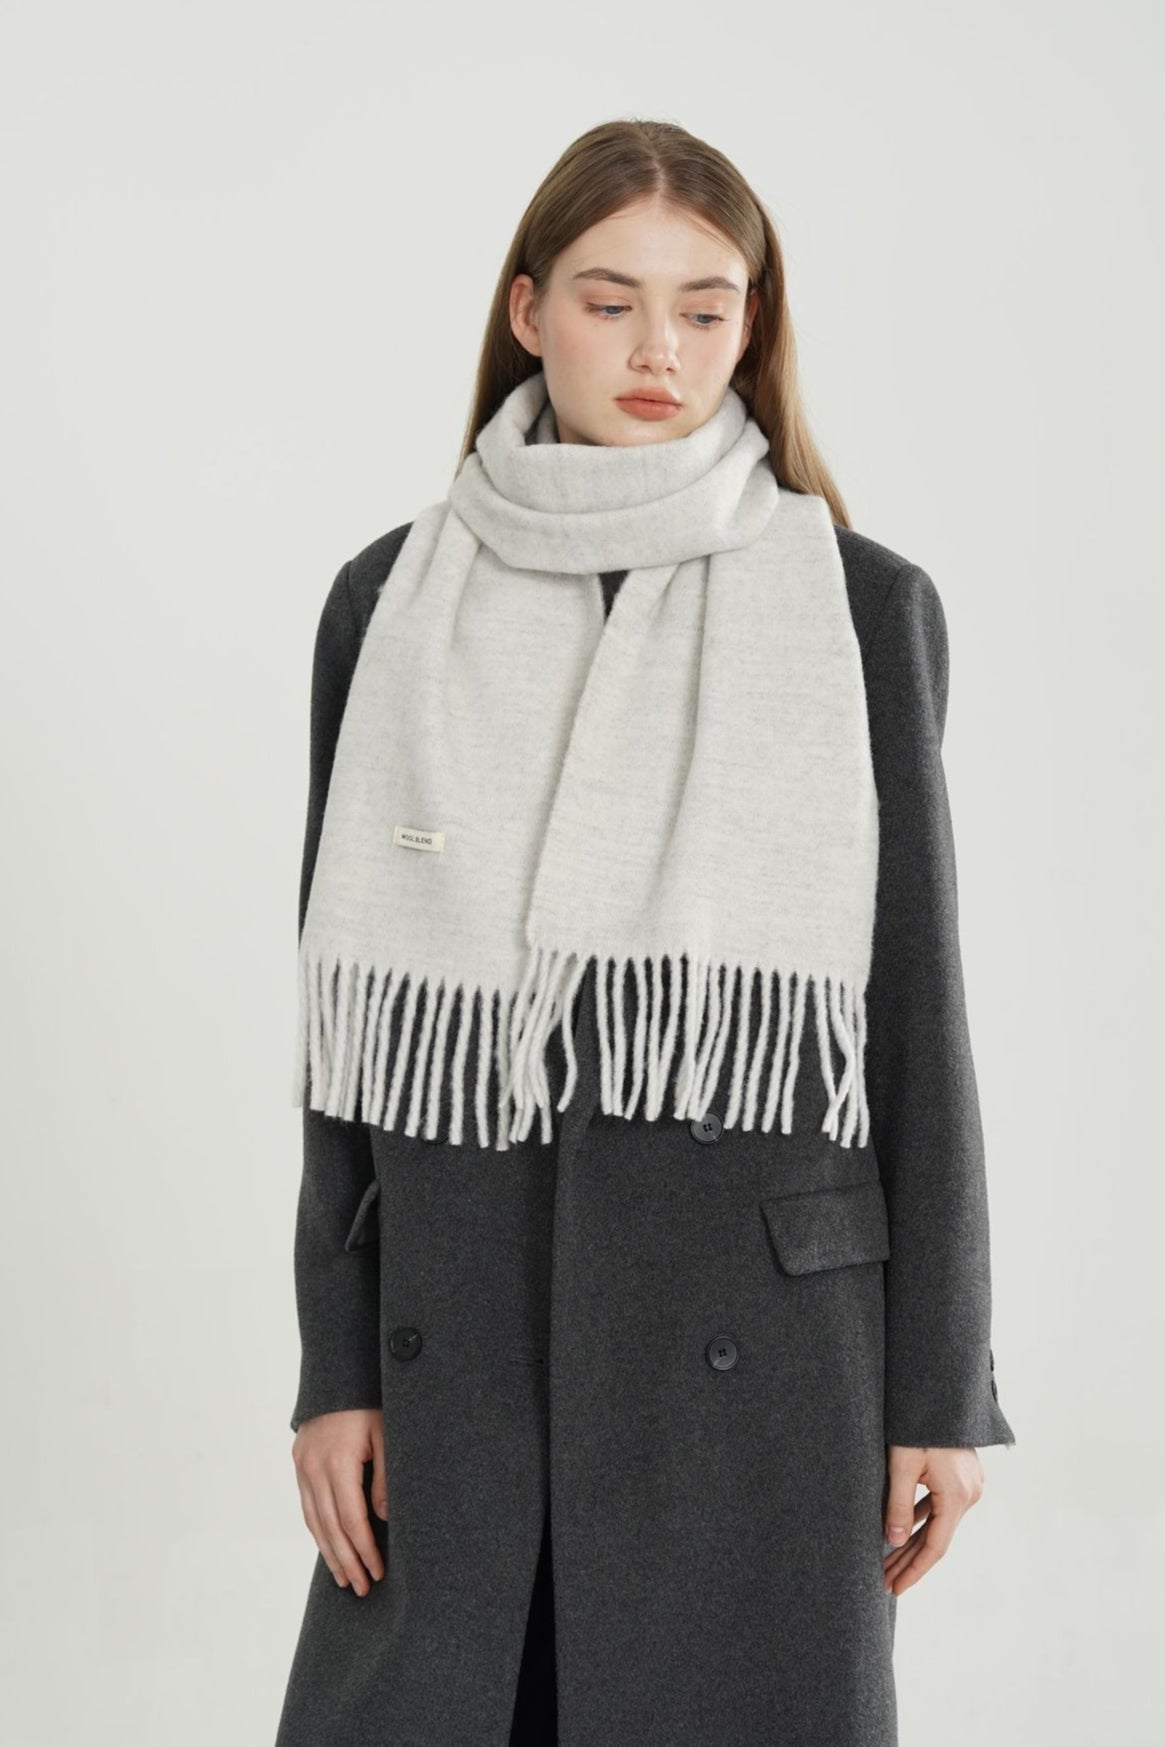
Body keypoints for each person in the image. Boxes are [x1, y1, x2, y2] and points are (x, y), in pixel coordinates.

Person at [274, 117, 1016, 1747]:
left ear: (753, 326)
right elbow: (346, 1032)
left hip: (761, 1344)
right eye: (610, 302)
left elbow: (914, 1017)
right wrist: (337, 1369)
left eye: (703, 306)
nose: (656, 349)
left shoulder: (858, 609)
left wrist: (940, 1389)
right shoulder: (388, 605)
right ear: (528, 310)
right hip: (464, 1316)